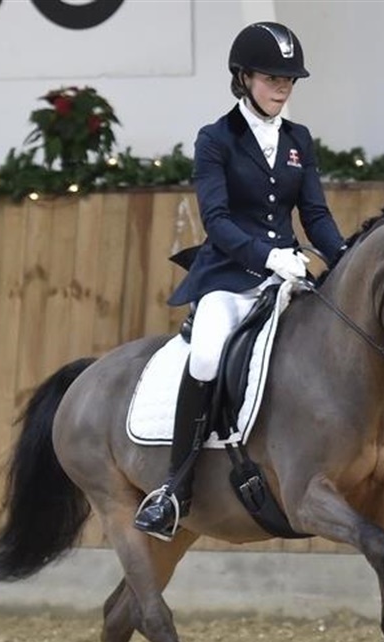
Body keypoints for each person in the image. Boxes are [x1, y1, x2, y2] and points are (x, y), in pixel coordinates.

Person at [134, 21, 348, 539]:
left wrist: (343, 259)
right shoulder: (216, 139)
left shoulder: (298, 139)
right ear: (244, 77)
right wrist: (269, 256)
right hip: (230, 278)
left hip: (287, 279)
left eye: (289, 79)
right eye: (273, 78)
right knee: (207, 355)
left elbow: (314, 214)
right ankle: (174, 488)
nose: (283, 87)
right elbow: (218, 220)